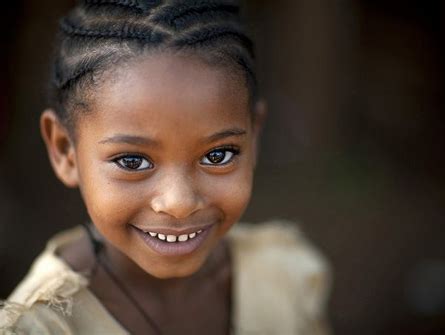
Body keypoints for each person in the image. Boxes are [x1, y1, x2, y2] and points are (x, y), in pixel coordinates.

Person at [0, 0, 331, 334]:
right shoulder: (40, 326)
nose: (179, 203)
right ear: (65, 151)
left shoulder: (285, 278)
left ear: (254, 137)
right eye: (132, 161)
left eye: (218, 156)